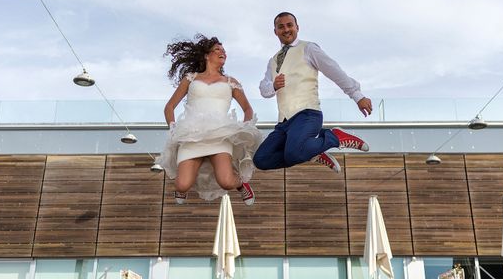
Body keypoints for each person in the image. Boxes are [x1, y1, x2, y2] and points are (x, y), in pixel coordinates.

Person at [253, 12, 372, 173]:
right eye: (281, 27)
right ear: (275, 31)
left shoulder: (308, 49)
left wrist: (357, 96)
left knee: (293, 153)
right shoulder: (273, 60)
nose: (286, 29)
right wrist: (273, 86)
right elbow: (264, 90)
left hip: (307, 114)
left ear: (297, 27)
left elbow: (334, 70)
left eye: (290, 25)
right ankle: (312, 152)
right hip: (284, 123)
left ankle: (334, 137)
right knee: (261, 159)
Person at [157, 34, 262, 205]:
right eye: (217, 49)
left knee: (226, 181)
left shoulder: (230, 82)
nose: (223, 52)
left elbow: (247, 108)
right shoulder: (191, 78)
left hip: (220, 134)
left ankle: (241, 184)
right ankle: (182, 189)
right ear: (207, 55)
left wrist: (245, 127)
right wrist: (173, 128)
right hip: (191, 133)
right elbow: (169, 107)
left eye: (224, 51)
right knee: (182, 185)